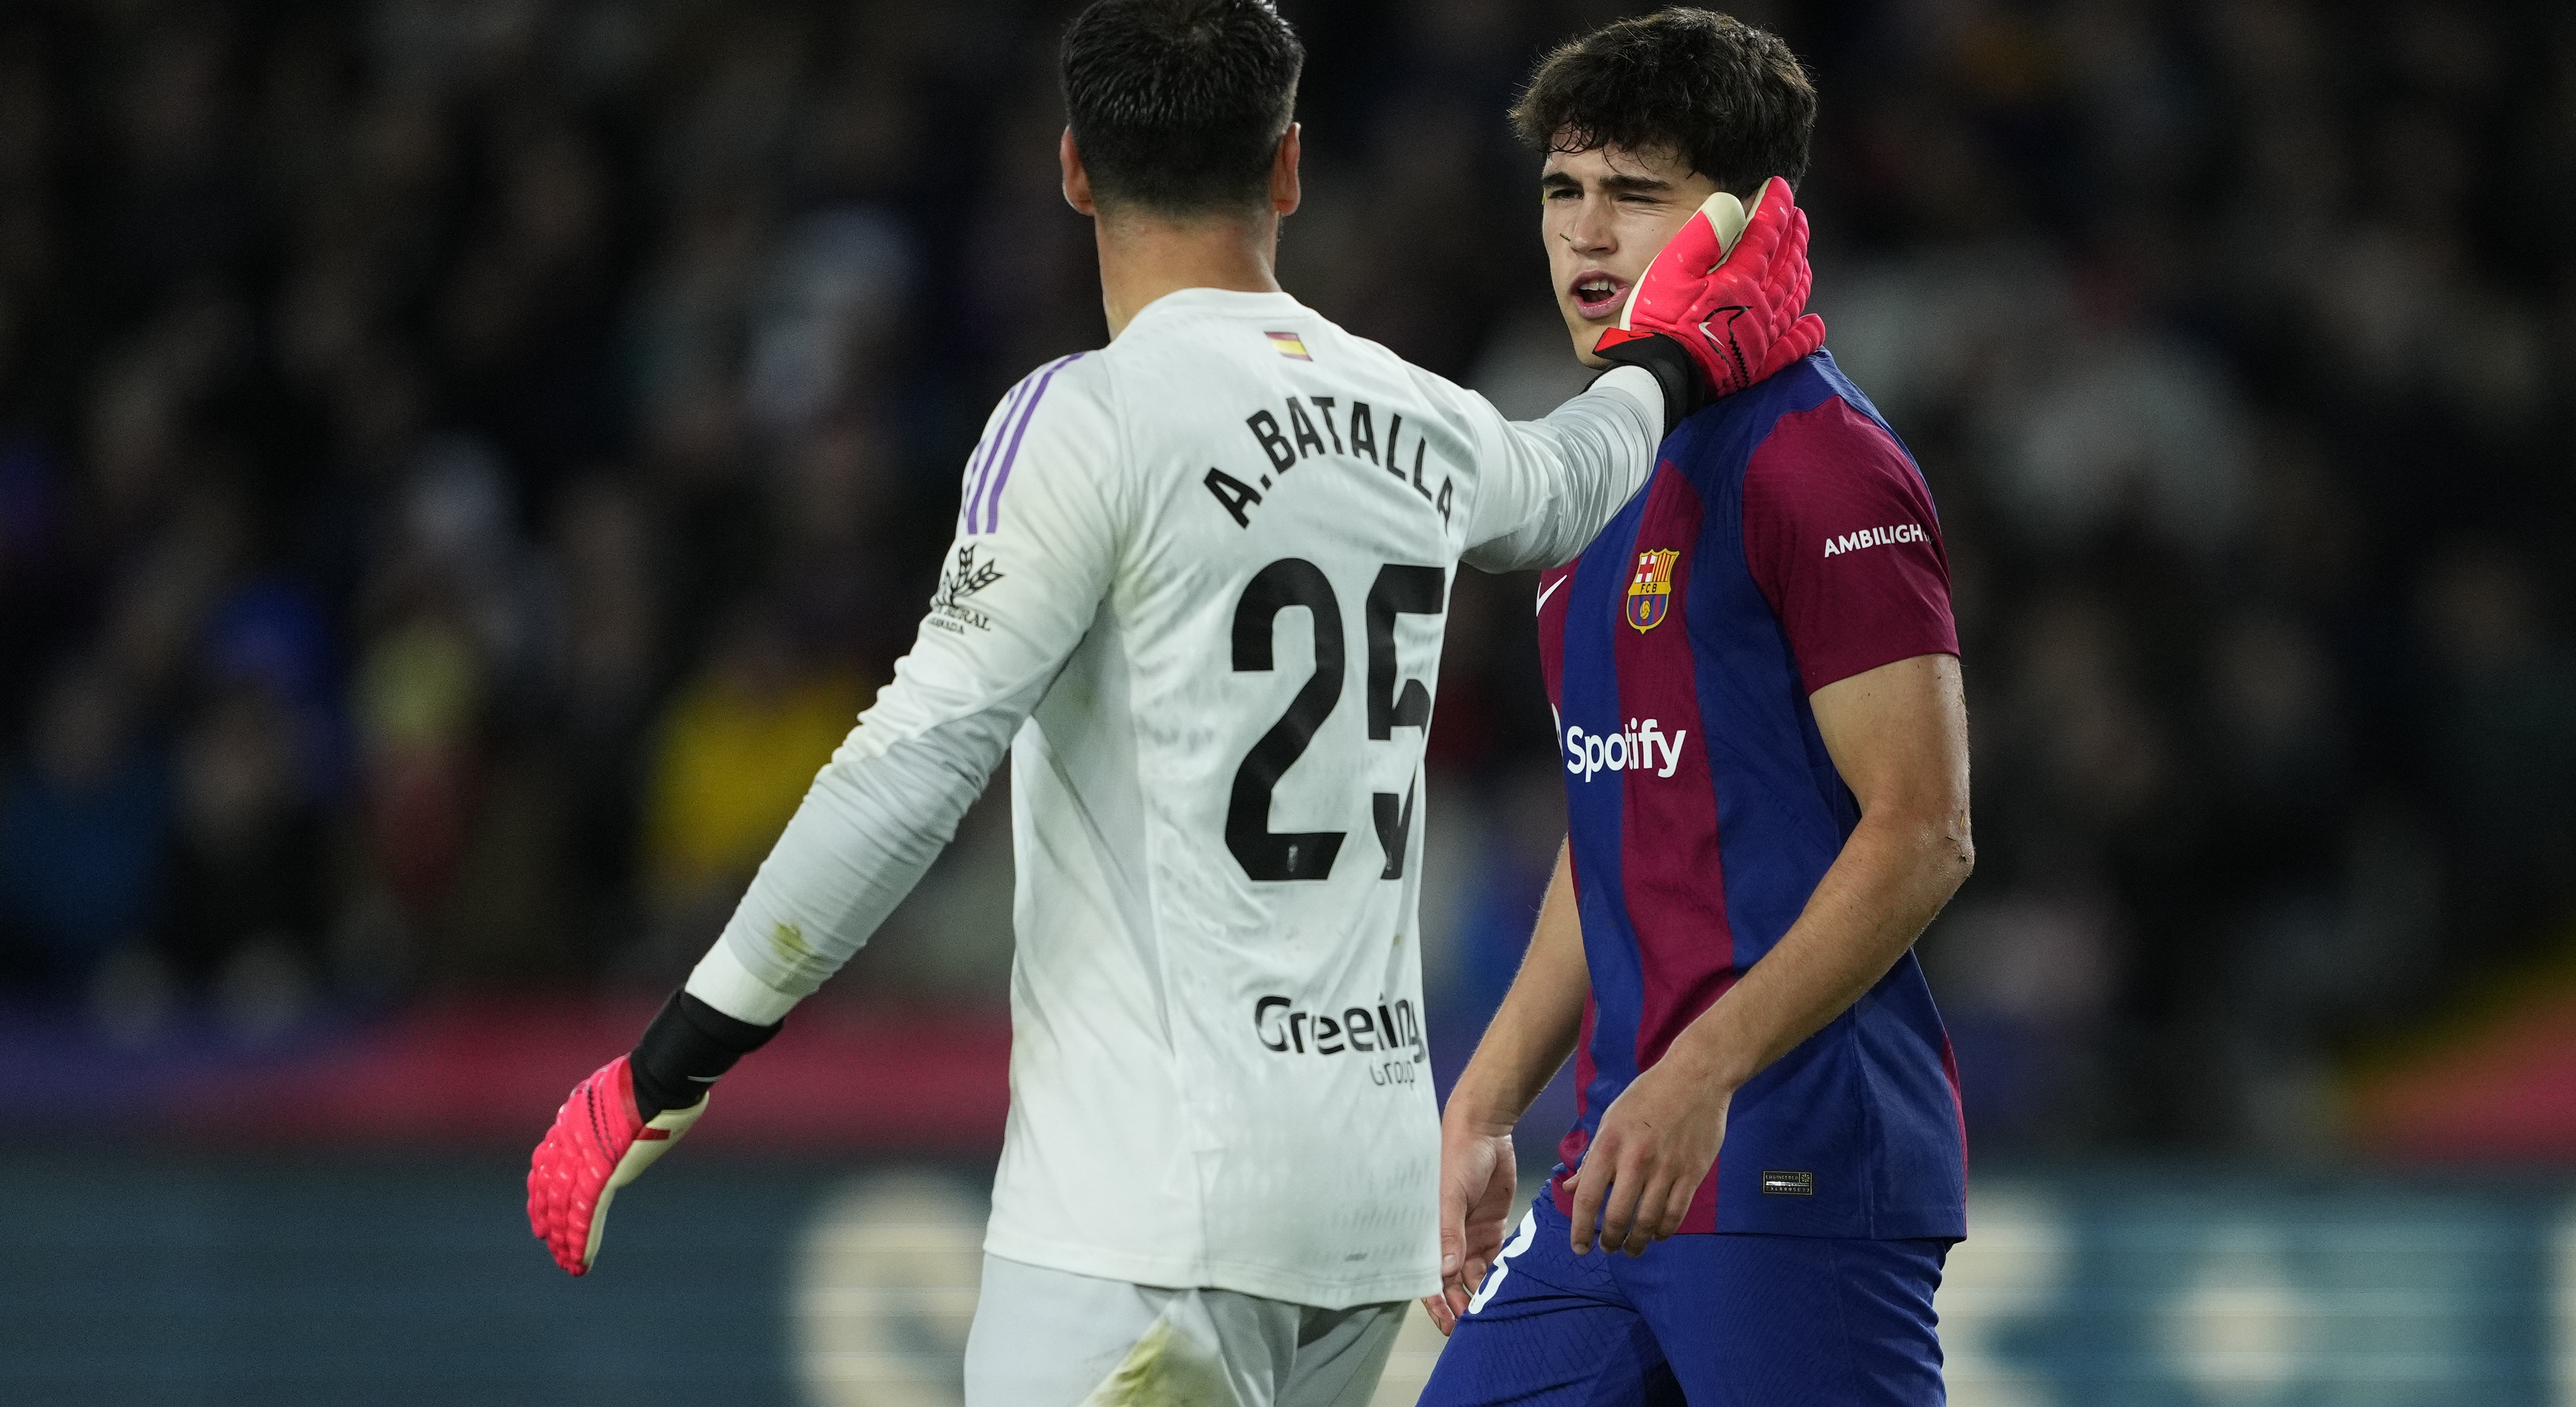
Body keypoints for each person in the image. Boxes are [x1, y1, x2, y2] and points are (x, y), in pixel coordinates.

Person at [523, 2, 1821, 1403]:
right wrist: (1679, 357)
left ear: (1075, 168)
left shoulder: (1088, 417)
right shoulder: (1416, 413)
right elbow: (1568, 480)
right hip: (1361, 1213)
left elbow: (913, 759)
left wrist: (674, 1056)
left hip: (1141, 1222)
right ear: (1290, 168)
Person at [1417, 11, 1975, 1406]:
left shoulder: (1822, 465)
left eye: (1637, 195)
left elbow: (1926, 831)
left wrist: (1701, 1070)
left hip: (1790, 1162)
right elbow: (1616, 819)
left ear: (1740, 221)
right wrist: (1485, 1101)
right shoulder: (1596, 471)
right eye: (1565, 192)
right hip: (1618, 1166)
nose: (1589, 238)